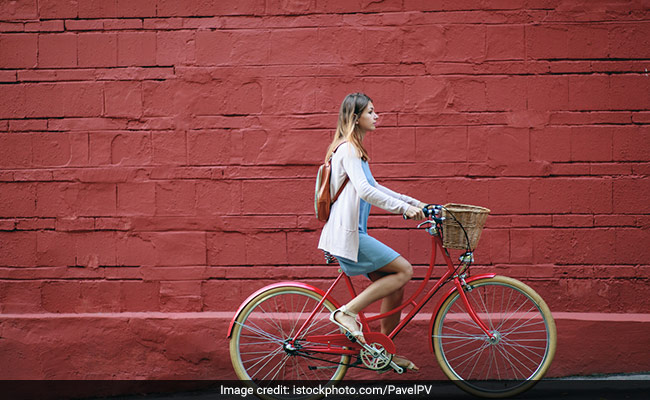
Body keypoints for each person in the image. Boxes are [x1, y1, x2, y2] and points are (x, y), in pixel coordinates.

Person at [318, 93, 429, 372]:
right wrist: (403, 210)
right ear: (356, 118)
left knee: (395, 284)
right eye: (370, 112)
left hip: (351, 234)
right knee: (404, 270)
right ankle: (347, 312)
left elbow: (374, 186)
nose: (376, 116)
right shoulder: (348, 150)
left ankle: (382, 353)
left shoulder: (354, 150)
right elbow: (367, 191)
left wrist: (414, 203)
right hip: (347, 235)